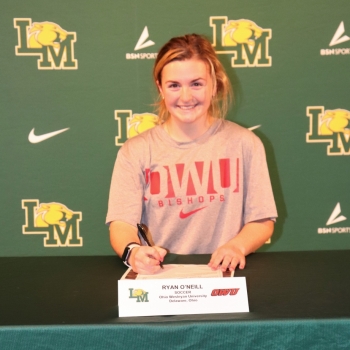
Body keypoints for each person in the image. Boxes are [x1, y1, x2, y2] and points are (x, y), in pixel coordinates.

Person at [106, 34, 277, 275]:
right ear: (160, 88)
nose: (186, 97)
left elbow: (262, 220)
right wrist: (134, 251)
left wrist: (236, 247)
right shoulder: (135, 151)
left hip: (224, 278)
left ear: (214, 85)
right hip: (158, 279)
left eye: (196, 83)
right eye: (174, 85)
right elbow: (121, 223)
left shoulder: (246, 144)